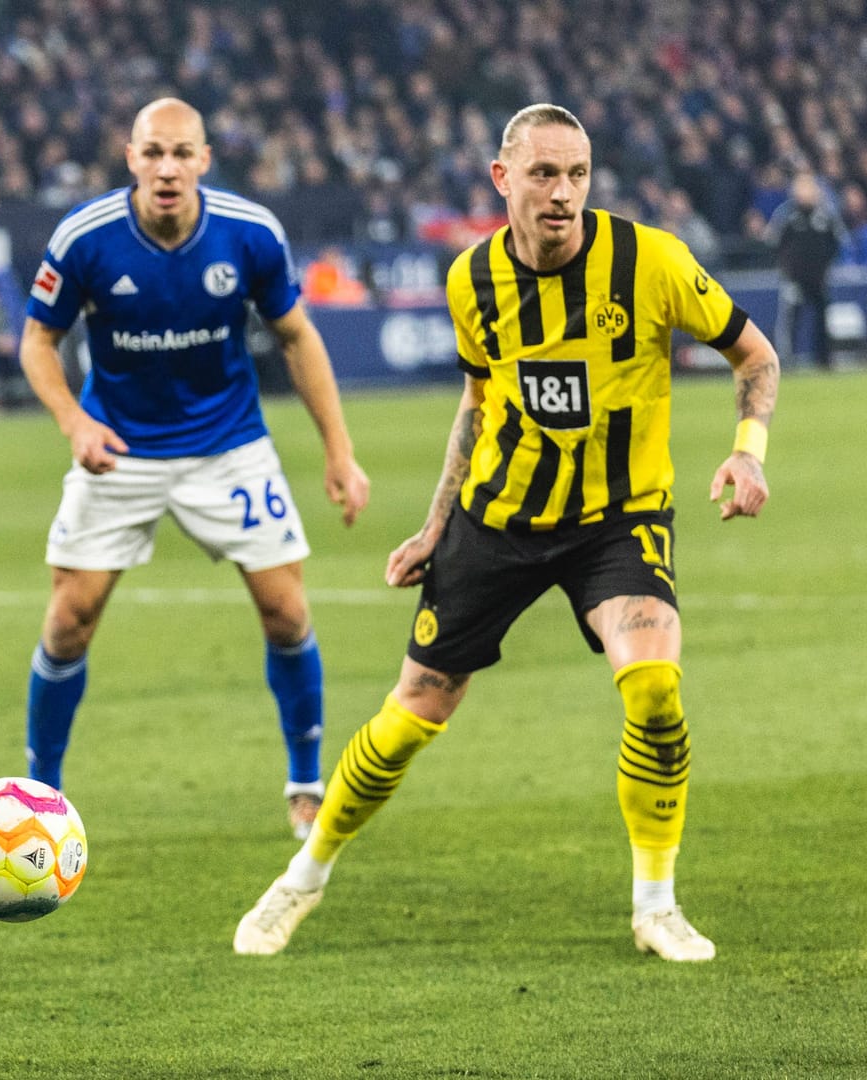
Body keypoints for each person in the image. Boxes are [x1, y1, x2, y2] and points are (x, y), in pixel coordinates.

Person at [232, 104, 779, 963]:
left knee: (655, 689)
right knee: (416, 711)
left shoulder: (653, 262)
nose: (563, 193)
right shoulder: (471, 280)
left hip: (619, 519)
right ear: (502, 179)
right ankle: (303, 877)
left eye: (577, 174)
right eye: (543, 174)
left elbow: (757, 356)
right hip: (499, 520)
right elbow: (480, 403)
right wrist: (435, 524)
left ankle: (657, 904)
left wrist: (748, 455)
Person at [18, 98, 370, 838]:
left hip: (229, 447)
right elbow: (37, 343)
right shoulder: (86, 238)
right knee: (69, 621)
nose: (168, 168)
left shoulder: (250, 234)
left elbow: (299, 339)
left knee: (287, 612)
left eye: (182, 153)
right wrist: (74, 421)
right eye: (153, 153)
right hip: (119, 448)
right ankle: (40, 797)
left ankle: (306, 782)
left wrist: (338, 452)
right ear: (131, 158)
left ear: (205, 159)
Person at [765, 171, 847, 368]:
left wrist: (826, 268)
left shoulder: (826, 216)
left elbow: (837, 243)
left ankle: (824, 359)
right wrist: (787, 271)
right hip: (795, 279)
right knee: (792, 320)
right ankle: (787, 359)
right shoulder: (787, 215)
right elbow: (776, 245)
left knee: (822, 320)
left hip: (819, 278)